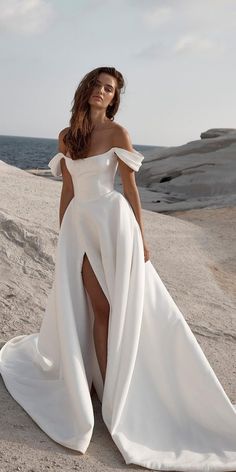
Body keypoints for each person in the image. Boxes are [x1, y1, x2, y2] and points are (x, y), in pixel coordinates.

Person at [0, 66, 236, 472]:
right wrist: (65, 236)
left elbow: (130, 190)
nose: (101, 92)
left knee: (119, 307)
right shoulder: (66, 135)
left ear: (114, 98)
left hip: (114, 225)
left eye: (108, 89)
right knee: (98, 306)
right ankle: (104, 388)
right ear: (86, 90)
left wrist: (141, 237)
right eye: (96, 85)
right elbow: (68, 191)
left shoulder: (118, 134)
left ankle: (115, 395)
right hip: (80, 225)